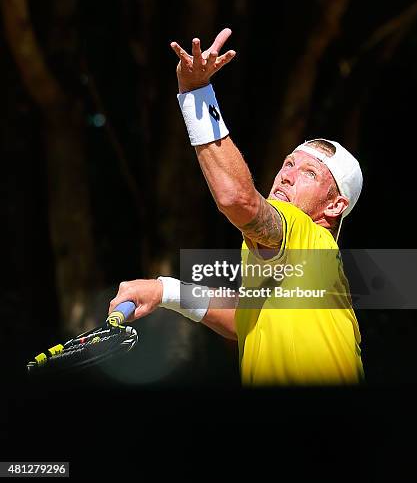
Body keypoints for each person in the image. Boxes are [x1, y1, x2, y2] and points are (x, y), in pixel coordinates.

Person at [109, 28, 364, 385]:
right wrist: (164, 290)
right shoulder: (297, 273)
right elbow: (246, 317)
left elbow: (237, 199)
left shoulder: (309, 239)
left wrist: (197, 95)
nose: (287, 176)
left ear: (335, 205)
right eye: (288, 164)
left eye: (309, 173)